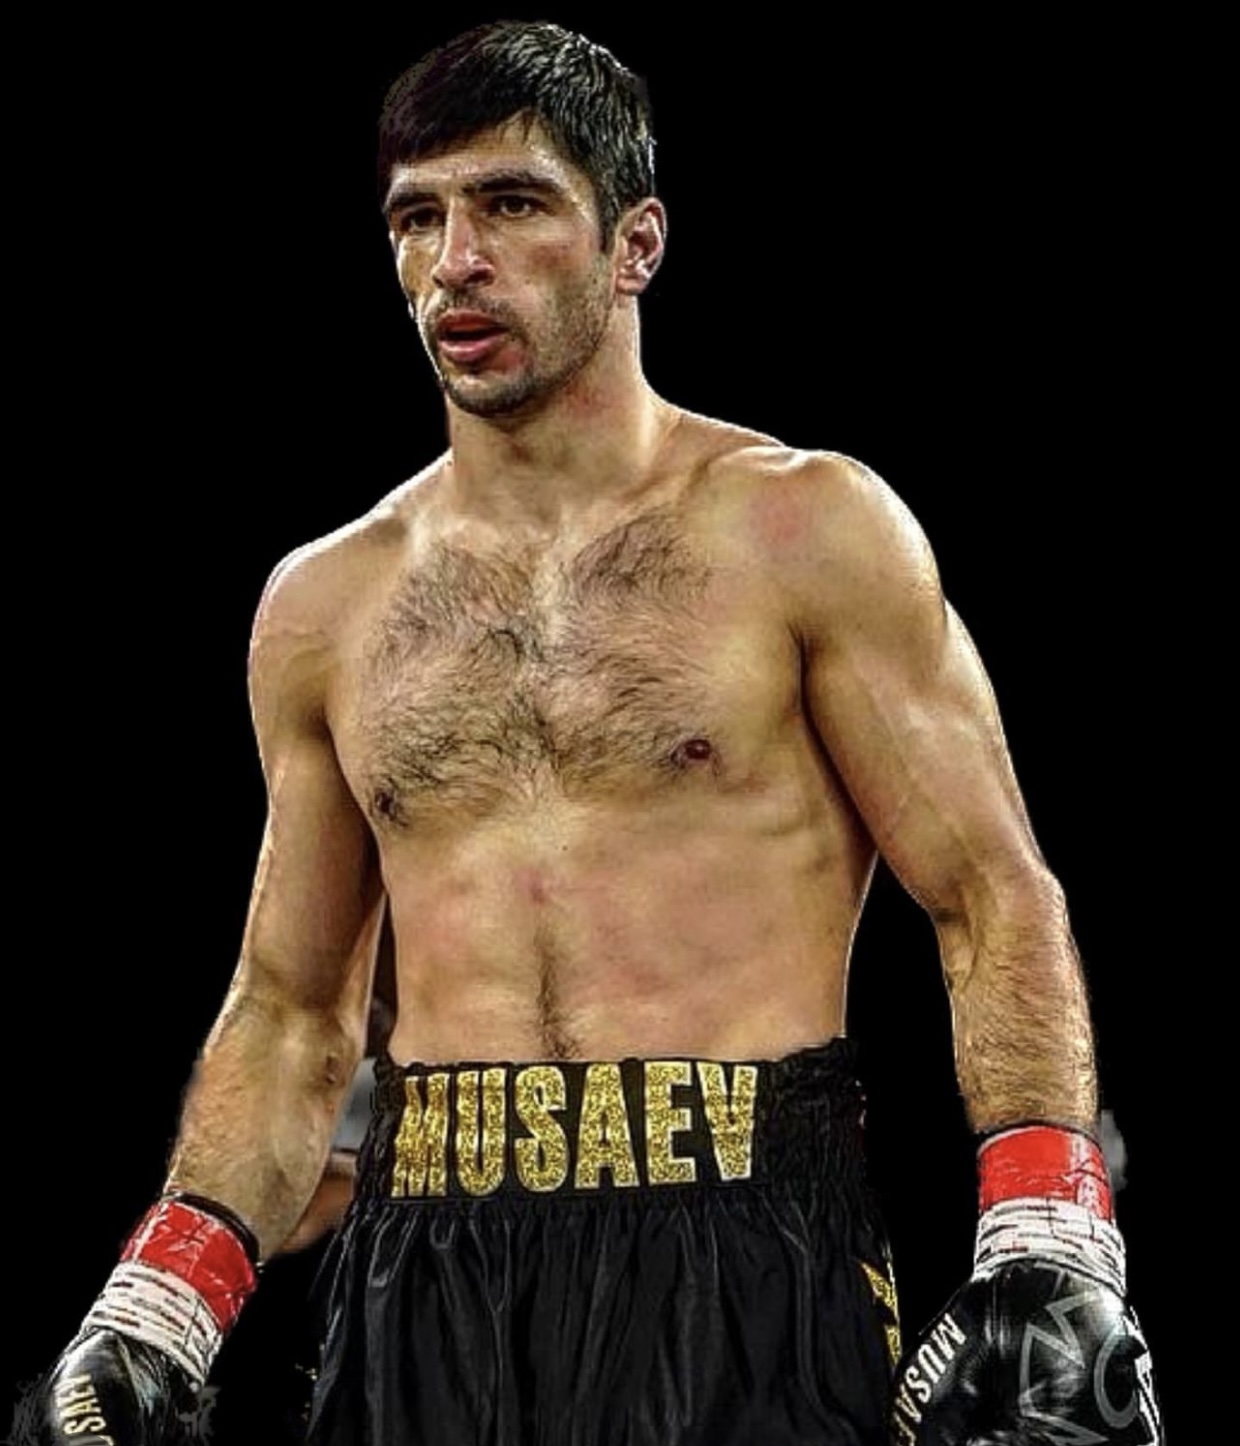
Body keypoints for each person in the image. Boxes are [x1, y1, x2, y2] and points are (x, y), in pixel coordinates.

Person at [39, 20, 1162, 1446]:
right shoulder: (327, 605)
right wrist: (161, 1299)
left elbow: (991, 892)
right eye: (417, 219)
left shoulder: (804, 531)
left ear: (637, 244)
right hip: (428, 1268)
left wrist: (1052, 1234)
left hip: (748, 1252)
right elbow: (294, 1008)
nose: (456, 261)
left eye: (511, 204)